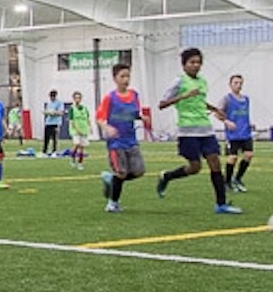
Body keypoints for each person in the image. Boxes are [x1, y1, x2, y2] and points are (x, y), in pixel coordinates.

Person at [153, 47, 241, 214]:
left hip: (205, 129)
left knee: (215, 162)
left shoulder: (202, 81)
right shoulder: (178, 82)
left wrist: (215, 109)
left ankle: (221, 204)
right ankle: (167, 177)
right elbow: (162, 104)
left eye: (198, 62)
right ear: (184, 65)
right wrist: (183, 96)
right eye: (192, 62)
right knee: (195, 167)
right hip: (187, 131)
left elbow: (200, 101)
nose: (196, 65)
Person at [98, 64, 151, 212]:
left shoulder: (134, 95)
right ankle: (112, 203)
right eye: (122, 76)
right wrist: (106, 127)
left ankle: (110, 179)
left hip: (131, 140)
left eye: (128, 76)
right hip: (116, 142)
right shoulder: (110, 98)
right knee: (121, 172)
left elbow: (134, 112)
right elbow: (100, 118)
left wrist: (142, 117)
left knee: (139, 171)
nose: (126, 79)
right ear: (115, 78)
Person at [220, 75, 255, 193]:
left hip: (245, 133)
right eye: (235, 83)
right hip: (233, 134)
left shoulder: (246, 99)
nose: (238, 85)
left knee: (249, 155)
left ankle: (238, 179)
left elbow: (245, 114)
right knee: (233, 157)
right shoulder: (227, 99)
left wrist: (250, 123)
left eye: (240, 83)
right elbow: (217, 113)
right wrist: (227, 121)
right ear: (230, 84)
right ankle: (227, 181)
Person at [67, 91, 92, 170]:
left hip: (84, 129)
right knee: (76, 144)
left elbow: (87, 119)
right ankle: (72, 158)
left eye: (79, 98)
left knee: (82, 147)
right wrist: (76, 129)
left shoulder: (84, 108)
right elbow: (71, 121)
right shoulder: (72, 108)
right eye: (76, 98)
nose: (78, 99)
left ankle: (80, 163)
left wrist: (90, 127)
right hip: (75, 130)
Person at [41, 90, 64, 155]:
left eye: (53, 96)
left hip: (55, 123)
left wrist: (54, 112)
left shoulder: (59, 103)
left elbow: (61, 112)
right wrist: (46, 112)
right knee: (46, 138)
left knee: (54, 138)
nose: (52, 98)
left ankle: (54, 151)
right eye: (51, 96)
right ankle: (44, 151)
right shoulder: (49, 103)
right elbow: (46, 111)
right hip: (48, 122)